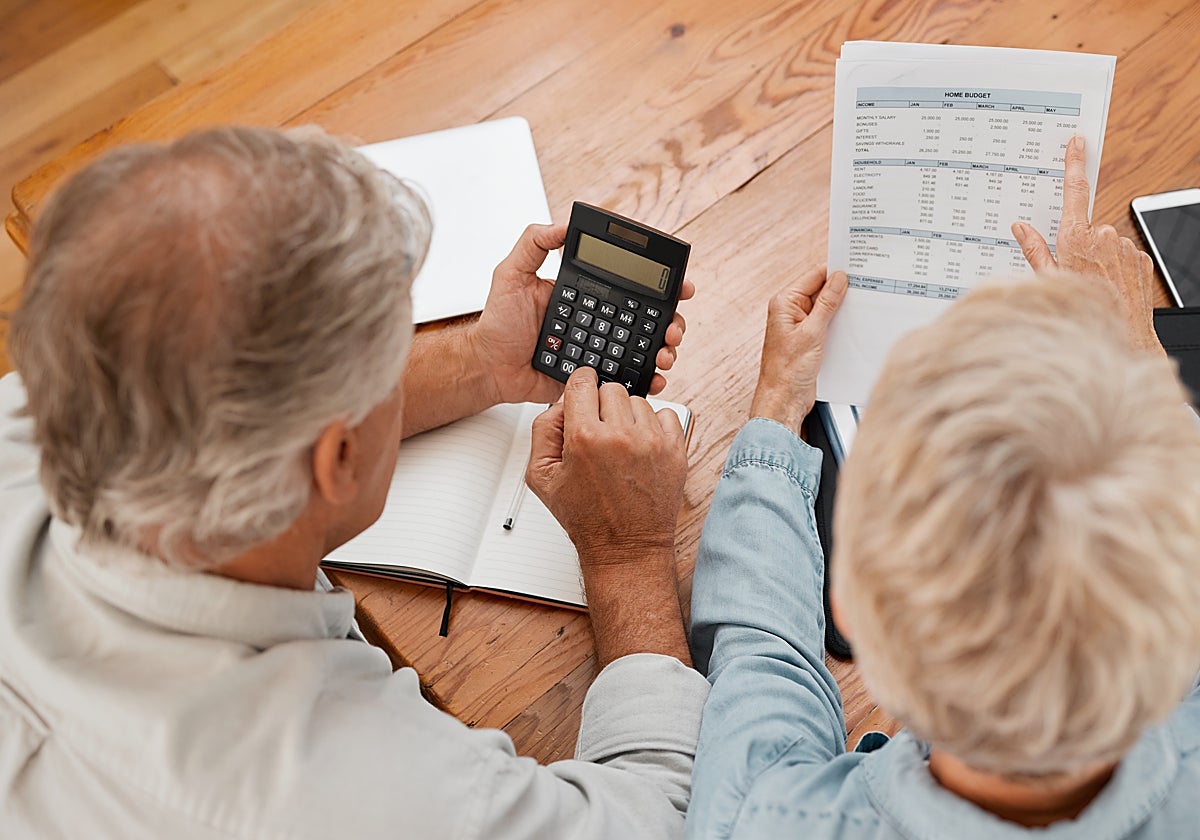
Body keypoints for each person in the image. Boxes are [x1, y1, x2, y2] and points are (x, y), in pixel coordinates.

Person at [0, 125, 708, 839]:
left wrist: (481, 363)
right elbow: (663, 819)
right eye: (390, 359)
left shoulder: (55, 393)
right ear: (335, 460)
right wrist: (628, 555)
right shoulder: (380, 798)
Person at [686, 135, 1200, 838]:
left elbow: (761, 659)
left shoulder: (764, 822)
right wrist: (1142, 366)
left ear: (850, 604)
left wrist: (777, 411)